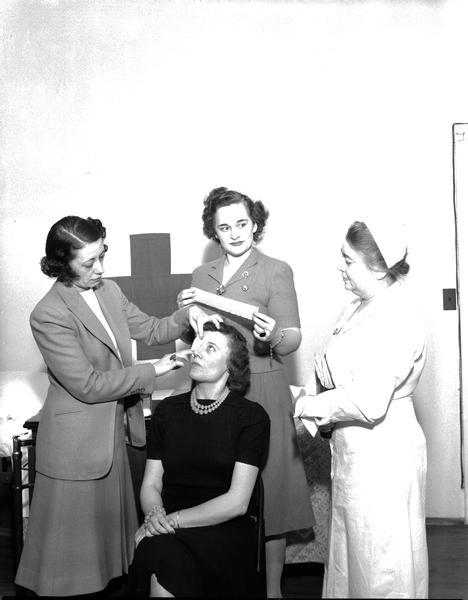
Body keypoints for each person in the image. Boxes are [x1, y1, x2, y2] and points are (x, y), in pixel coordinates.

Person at [15, 216, 220, 597]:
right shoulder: (48, 313)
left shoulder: (107, 292)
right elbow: (88, 385)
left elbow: (153, 329)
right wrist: (152, 371)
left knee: (109, 567)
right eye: (88, 263)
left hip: (110, 435)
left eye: (102, 256)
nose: (101, 269)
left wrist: (187, 316)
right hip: (75, 443)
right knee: (69, 570)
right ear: (62, 264)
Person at [178, 187, 314, 597]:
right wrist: (190, 312)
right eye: (224, 227)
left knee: (268, 492)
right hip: (214, 389)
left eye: (242, 223)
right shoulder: (201, 276)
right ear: (213, 232)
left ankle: (272, 591)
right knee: (219, 486)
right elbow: (192, 331)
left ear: (255, 224)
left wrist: (275, 334)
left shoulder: (276, 270)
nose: (235, 233)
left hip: (263, 386)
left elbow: (292, 339)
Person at [295, 219, 428, 598]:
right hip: (353, 453)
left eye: (349, 260)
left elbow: (367, 400)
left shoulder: (398, 316)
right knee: (350, 561)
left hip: (383, 455)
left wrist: (309, 406)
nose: (341, 266)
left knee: (381, 565)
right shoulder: (356, 308)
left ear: (379, 267)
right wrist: (305, 395)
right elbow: (328, 368)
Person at [131, 321, 270, 597]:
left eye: (211, 347)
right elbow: (151, 485)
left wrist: (172, 522)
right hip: (168, 524)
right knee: (161, 553)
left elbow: (238, 502)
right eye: (197, 344)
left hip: (225, 528)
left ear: (231, 364)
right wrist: (155, 516)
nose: (197, 351)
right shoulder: (167, 411)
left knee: (160, 553)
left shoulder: (251, 417)